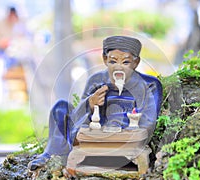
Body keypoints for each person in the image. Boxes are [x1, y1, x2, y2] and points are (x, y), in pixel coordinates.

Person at [28, 36, 163, 171]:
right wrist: (89, 104)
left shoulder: (149, 85)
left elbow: (148, 121)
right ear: (105, 60)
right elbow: (77, 119)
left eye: (126, 62)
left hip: (125, 138)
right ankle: (53, 155)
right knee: (60, 108)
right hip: (96, 135)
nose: (119, 67)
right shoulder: (96, 80)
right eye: (113, 61)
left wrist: (124, 131)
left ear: (136, 62)